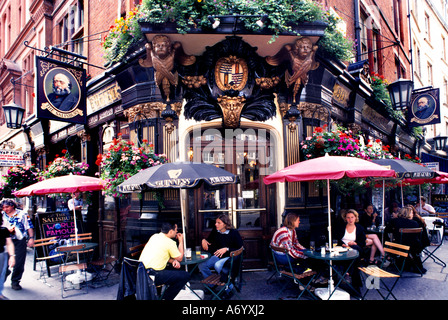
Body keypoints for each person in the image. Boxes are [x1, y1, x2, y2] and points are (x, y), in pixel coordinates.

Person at [139, 222, 190, 300]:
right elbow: (180, 258)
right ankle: (165, 299)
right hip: (152, 276)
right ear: (170, 231)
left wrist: (172, 261)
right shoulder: (170, 242)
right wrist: (181, 241)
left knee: (173, 273)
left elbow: (159, 253)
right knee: (185, 275)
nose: (177, 231)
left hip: (140, 273)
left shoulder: (155, 236)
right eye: (176, 229)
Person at [1, 199, 34, 290]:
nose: (5, 209)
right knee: (3, 262)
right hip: (5, 241)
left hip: (19, 241)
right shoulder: (2, 215)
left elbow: (29, 226)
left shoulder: (22, 214)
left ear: (12, 206)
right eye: (3, 207)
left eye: (7, 207)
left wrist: (31, 238)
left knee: (19, 262)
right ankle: (4, 276)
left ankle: (15, 281)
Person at [199, 214, 243, 279]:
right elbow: (209, 241)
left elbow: (239, 248)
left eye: (219, 223)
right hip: (218, 256)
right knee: (202, 265)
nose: (216, 224)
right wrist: (203, 240)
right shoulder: (215, 231)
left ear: (225, 224)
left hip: (229, 257)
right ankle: (211, 284)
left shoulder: (234, 233)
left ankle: (228, 285)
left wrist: (227, 249)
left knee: (218, 265)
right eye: (216, 222)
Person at [386, 206, 426, 274]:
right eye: (411, 213)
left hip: (399, 246)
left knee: (390, 243)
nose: (412, 214)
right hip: (414, 247)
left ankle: (398, 263)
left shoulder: (395, 221)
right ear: (407, 214)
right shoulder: (415, 223)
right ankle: (408, 264)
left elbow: (387, 230)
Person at [334, 209, 366, 291]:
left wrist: (355, 243)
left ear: (356, 218)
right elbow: (335, 239)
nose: (350, 219)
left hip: (356, 250)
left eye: (352, 217)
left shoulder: (360, 228)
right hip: (343, 250)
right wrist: (342, 244)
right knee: (354, 261)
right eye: (348, 217)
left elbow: (363, 243)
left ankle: (347, 273)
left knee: (354, 250)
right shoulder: (341, 227)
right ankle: (356, 286)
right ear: (345, 219)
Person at [0, 226, 15, 300]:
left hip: (1, 255)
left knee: (1, 275)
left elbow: (9, 243)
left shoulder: (3, 230)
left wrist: (12, 256)